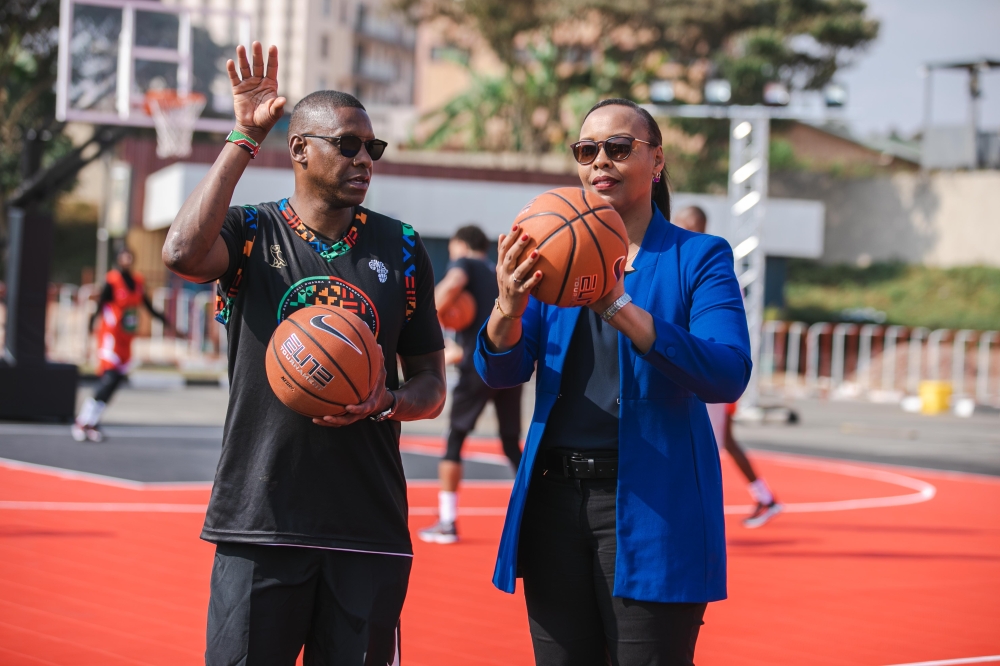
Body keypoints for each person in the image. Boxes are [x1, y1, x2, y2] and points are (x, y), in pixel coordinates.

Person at [161, 43, 446, 665]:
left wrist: (390, 400)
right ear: (299, 150)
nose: (365, 158)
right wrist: (243, 136)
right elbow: (181, 253)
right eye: (347, 144)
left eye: (373, 147)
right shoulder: (250, 231)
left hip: (367, 526)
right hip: (259, 518)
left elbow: (430, 383)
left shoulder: (400, 247)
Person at [475, 99, 751, 665]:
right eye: (587, 150)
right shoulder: (550, 254)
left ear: (656, 162)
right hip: (553, 502)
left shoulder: (698, 257)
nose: (601, 160)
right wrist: (505, 308)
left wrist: (617, 303)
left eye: (619, 148)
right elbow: (500, 370)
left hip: (656, 507)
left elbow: (727, 373)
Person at [673, 205, 783, 529]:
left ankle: (704, 510)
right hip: (700, 369)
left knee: (705, 441)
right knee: (723, 440)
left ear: (697, 226)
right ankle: (764, 496)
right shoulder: (683, 261)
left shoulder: (707, 265)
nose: (679, 230)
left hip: (709, 369)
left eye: (684, 225)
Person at [419, 225, 523, 545]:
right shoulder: (497, 271)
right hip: (508, 363)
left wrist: (421, 316)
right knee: (509, 443)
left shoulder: (464, 264)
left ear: (459, 245)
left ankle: (447, 522)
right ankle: (540, 508)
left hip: (477, 366)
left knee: (455, 438)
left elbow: (453, 284)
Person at [72, 246, 169, 442]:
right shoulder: (112, 281)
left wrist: (166, 322)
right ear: (117, 259)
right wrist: (90, 326)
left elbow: (148, 306)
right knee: (109, 377)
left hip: (127, 340)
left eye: (129, 256)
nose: (126, 259)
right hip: (111, 337)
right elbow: (100, 305)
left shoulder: (138, 281)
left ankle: (93, 422)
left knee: (115, 383)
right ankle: (82, 421)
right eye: (123, 256)